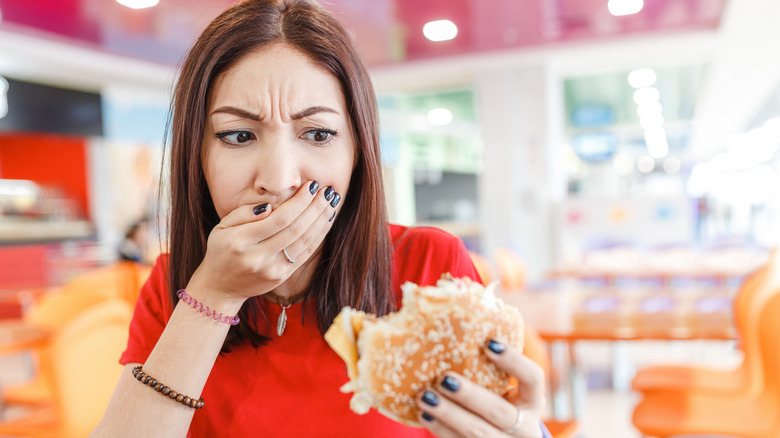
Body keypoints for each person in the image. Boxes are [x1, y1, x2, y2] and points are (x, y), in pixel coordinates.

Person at [92, 1, 549, 437]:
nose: (280, 179)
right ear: (198, 158)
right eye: (237, 135)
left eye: (317, 133)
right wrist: (215, 295)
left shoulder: (430, 265)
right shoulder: (172, 287)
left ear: (356, 151)